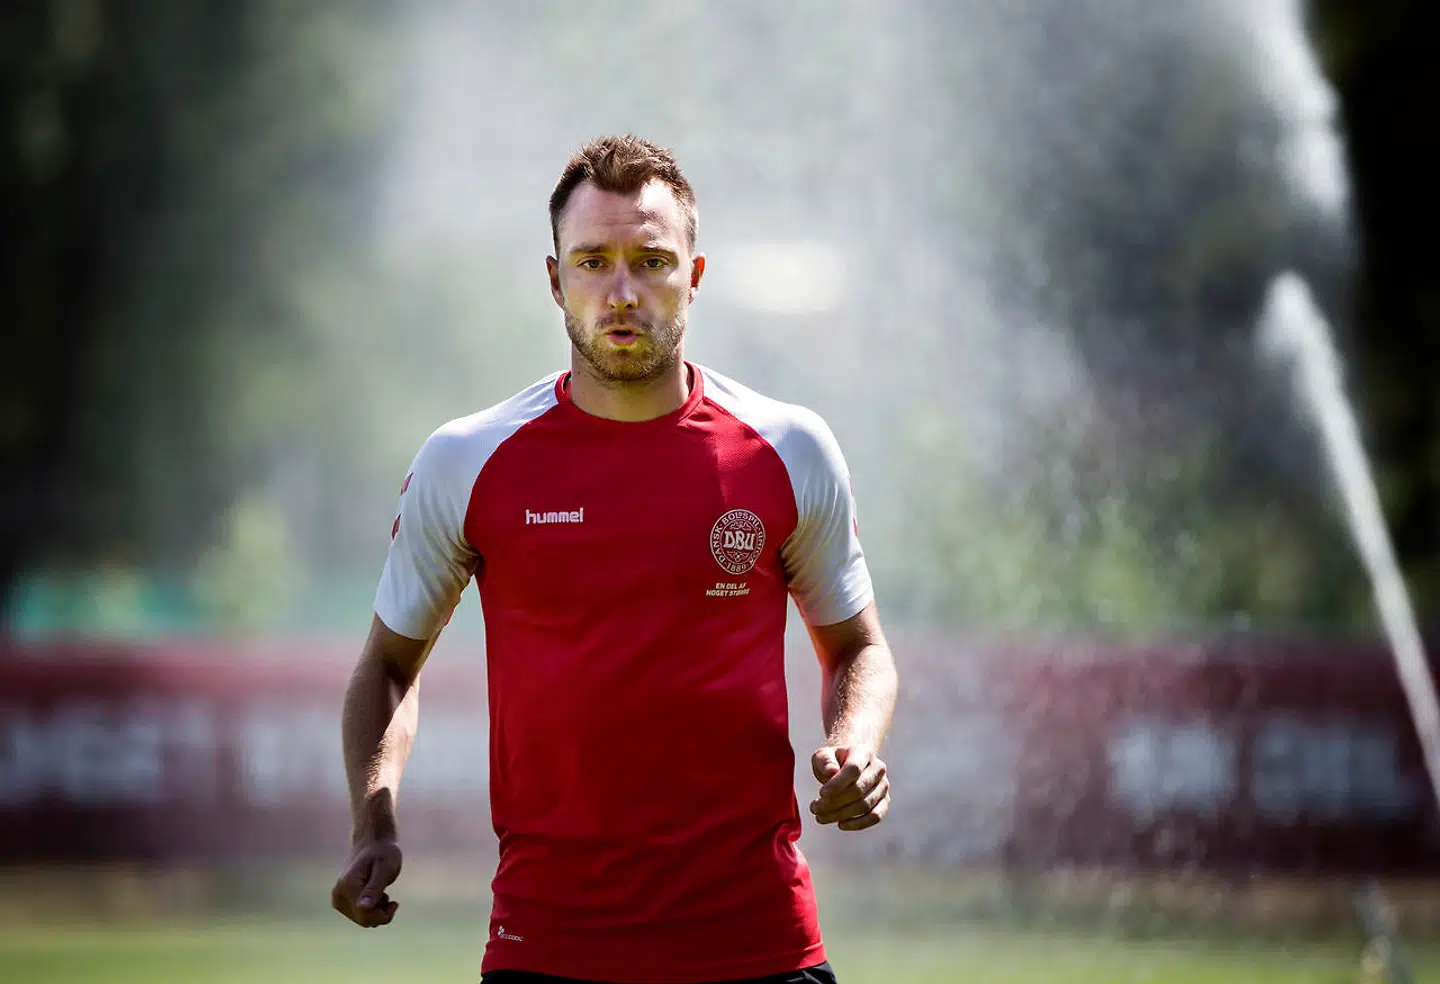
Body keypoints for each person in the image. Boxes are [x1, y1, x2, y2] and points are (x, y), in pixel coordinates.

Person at [330, 134, 899, 984]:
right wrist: (372, 823)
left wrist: (854, 743)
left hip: (762, 947)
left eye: (651, 260)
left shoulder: (789, 448)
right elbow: (387, 668)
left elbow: (859, 649)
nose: (622, 290)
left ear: (694, 277)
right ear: (555, 281)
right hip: (548, 952)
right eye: (593, 261)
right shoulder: (467, 461)